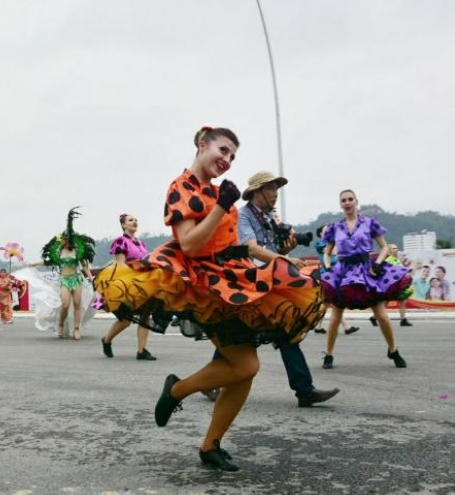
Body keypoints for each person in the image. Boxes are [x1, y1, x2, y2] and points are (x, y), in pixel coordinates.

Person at [94, 127, 325, 471]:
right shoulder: (181, 187)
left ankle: (210, 445)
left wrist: (277, 259)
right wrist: (222, 205)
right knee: (246, 367)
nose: (227, 159)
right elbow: (189, 244)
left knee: (243, 372)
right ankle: (177, 391)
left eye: (233, 156)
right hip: (205, 285)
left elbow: (229, 245)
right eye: (223, 149)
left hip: (233, 279)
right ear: (202, 145)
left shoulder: (218, 192)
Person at [234, 171, 339, 407]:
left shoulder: (268, 217)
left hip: (269, 285)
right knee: (239, 337)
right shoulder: (243, 216)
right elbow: (251, 249)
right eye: (271, 189)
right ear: (257, 192)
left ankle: (304, 390)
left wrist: (286, 250)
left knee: (284, 332)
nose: (275, 194)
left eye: (276, 189)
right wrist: (285, 260)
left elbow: (274, 250)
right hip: (251, 286)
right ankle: (207, 383)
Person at [320, 189, 411, 370]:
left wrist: (377, 264)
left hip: (367, 271)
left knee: (382, 315)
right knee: (336, 315)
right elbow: (327, 252)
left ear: (356, 201)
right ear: (340, 204)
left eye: (350, 199)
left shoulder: (369, 223)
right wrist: (328, 266)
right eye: (344, 200)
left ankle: (393, 350)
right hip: (343, 272)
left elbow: (384, 246)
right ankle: (328, 354)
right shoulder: (335, 227)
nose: (347, 203)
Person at [30, 208, 96, 340]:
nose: (62, 241)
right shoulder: (58, 252)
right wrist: (34, 264)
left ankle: (76, 329)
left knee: (77, 303)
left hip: (77, 279)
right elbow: (49, 262)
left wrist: (90, 277)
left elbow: (84, 266)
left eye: (64, 239)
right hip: (64, 280)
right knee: (65, 305)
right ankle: (60, 324)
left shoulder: (78, 251)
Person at [100, 213, 157, 360]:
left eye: (136, 220)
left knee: (145, 315)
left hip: (142, 283)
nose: (134, 222)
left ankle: (141, 351)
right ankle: (107, 340)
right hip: (126, 284)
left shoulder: (141, 243)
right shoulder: (121, 241)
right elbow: (121, 265)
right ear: (123, 225)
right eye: (131, 220)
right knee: (125, 320)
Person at [312, 224, 359, 336]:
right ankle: (347, 327)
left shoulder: (334, 243)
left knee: (327, 302)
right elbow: (334, 255)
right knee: (335, 301)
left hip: (335, 275)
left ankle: (318, 327)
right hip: (327, 275)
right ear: (320, 234)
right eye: (326, 230)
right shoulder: (320, 244)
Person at [369, 244, 414, 327]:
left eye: (397, 248)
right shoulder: (388, 260)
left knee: (402, 300)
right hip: (391, 286)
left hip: (398, 285)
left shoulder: (397, 260)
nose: (396, 250)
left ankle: (403, 320)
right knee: (385, 303)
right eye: (394, 248)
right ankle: (374, 317)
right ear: (389, 251)